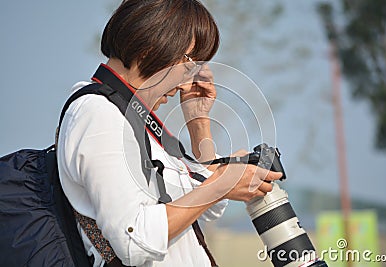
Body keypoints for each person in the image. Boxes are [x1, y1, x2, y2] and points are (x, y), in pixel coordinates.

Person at [57, 0, 282, 266]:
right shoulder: (98, 114)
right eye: (190, 65)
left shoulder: (130, 117)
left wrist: (198, 122)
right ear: (151, 48)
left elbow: (202, 205)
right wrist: (222, 183)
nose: (188, 80)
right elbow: (134, 241)